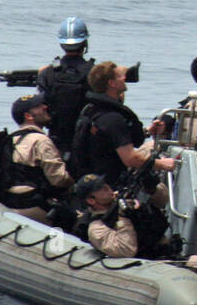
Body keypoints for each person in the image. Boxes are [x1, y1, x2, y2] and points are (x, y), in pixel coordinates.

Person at [74, 61, 176, 207]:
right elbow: (130, 159)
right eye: (121, 76)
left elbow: (111, 139)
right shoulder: (113, 118)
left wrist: (147, 131)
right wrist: (163, 164)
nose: (125, 78)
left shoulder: (91, 110)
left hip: (94, 177)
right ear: (112, 83)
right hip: (111, 185)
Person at [0, 92, 75, 224]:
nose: (45, 107)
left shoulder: (10, 140)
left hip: (11, 202)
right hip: (35, 205)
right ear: (28, 116)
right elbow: (59, 179)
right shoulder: (40, 140)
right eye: (39, 106)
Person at [37, 16, 95, 155]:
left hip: (56, 141)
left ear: (61, 44)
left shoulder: (47, 73)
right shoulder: (94, 73)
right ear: (85, 43)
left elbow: (42, 104)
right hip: (87, 143)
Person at [74, 175, 139, 258]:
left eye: (104, 183)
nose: (106, 187)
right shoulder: (96, 228)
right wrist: (122, 217)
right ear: (91, 200)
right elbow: (126, 250)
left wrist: (152, 190)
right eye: (99, 188)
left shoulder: (122, 196)